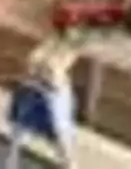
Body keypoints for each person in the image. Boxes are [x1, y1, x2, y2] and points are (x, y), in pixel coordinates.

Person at [6, 34, 82, 168]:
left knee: (59, 138)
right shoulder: (44, 51)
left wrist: (41, 81)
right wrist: (29, 81)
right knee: (19, 131)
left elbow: (55, 84)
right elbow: (31, 70)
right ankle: (12, 161)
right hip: (34, 96)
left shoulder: (59, 61)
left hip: (49, 99)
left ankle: (70, 164)